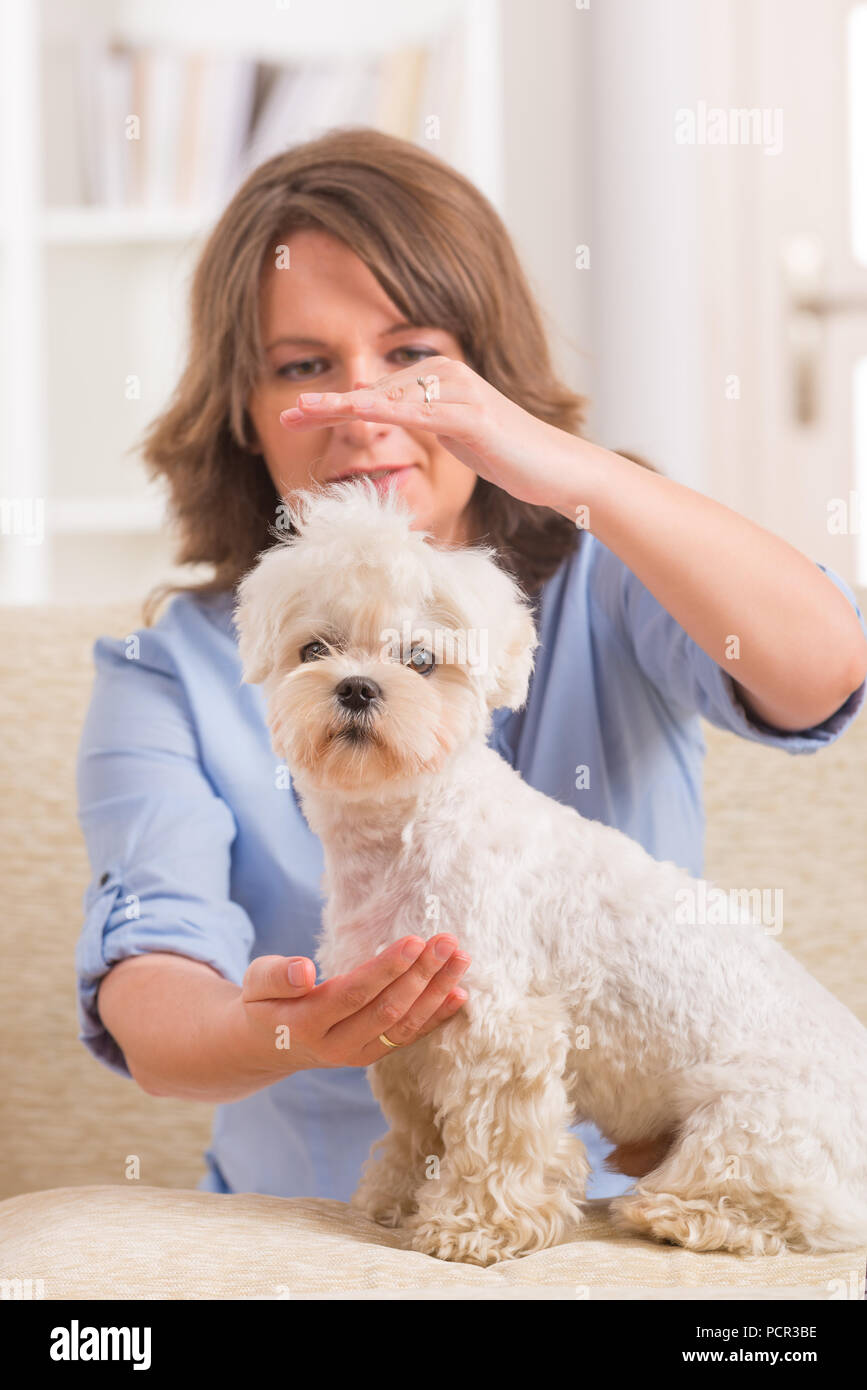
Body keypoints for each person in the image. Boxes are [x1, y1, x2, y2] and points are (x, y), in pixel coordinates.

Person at [75, 127, 867, 1203]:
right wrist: (279, 1032)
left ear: (486, 375)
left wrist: (570, 469)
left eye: (413, 356)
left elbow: (822, 672)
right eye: (305, 368)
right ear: (244, 416)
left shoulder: (610, 577)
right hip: (295, 1220)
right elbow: (151, 990)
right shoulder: (169, 665)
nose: (367, 409)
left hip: (621, 1211)